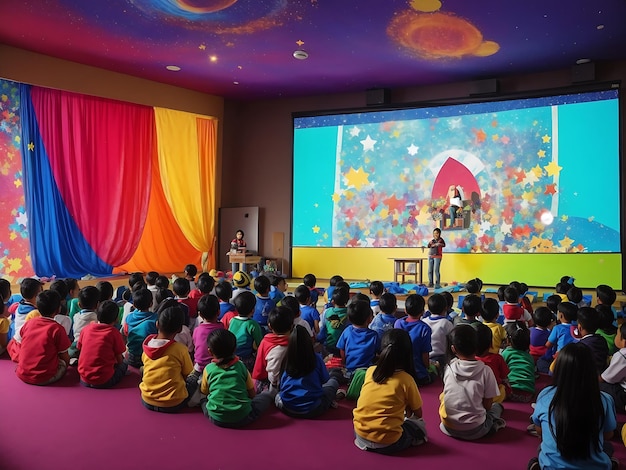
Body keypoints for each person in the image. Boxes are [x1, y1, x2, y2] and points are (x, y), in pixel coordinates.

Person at [529, 342, 618, 470]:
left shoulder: (545, 395)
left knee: (542, 448)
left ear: (559, 369)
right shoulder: (604, 399)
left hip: (553, 466)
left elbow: (539, 430)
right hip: (595, 466)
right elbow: (608, 434)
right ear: (592, 370)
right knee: (607, 447)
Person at [353, 329, 428, 454]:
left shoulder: (370, 371)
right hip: (389, 442)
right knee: (420, 426)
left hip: (360, 434)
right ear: (408, 354)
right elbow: (418, 413)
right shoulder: (406, 380)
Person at [439, 324, 506, 440]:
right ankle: (493, 426)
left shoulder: (449, 367)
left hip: (447, 426)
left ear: (453, 348)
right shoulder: (486, 371)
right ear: (477, 346)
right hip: (476, 430)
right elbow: (487, 406)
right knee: (496, 407)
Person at [200, 329, 275, 428]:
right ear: (235, 348)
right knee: (266, 396)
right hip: (243, 417)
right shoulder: (241, 366)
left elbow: (204, 391)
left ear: (210, 351)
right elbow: (252, 394)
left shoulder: (208, 369)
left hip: (216, 418)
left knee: (203, 401)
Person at [139, 302, 196, 413]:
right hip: (173, 403)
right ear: (180, 329)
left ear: (157, 324)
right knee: (194, 380)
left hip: (147, 400)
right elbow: (188, 373)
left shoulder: (147, 345)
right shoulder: (180, 349)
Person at [275, 325, 340, 419]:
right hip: (313, 409)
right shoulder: (316, 358)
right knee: (333, 382)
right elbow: (325, 380)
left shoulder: (286, 359)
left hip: (287, 407)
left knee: (276, 395)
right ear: (308, 342)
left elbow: (280, 383)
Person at [16, 290, 71, 385]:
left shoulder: (29, 323)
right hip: (45, 377)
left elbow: (19, 342)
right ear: (58, 310)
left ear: (37, 307)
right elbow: (65, 357)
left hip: (23, 373)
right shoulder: (57, 329)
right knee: (62, 363)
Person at [77, 300, 128, 388]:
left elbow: (80, 348)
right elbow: (119, 359)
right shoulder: (114, 333)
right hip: (104, 381)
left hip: (83, 379)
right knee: (124, 364)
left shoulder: (86, 329)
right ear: (116, 319)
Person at [394, 294, 434, 385]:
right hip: (418, 375)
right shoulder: (425, 328)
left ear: (405, 310)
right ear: (423, 312)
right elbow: (425, 355)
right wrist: (428, 367)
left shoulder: (397, 323)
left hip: (400, 372)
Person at [252, 306, 293, 392]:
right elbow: (273, 378)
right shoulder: (293, 343)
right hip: (270, 383)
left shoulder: (265, 341)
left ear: (270, 326)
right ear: (292, 326)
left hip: (261, 378)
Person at [337, 300, 379, 375]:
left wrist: (344, 362)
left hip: (349, 370)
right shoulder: (374, 335)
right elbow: (378, 352)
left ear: (349, 319)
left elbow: (342, 349)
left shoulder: (347, 331)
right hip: (367, 372)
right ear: (369, 319)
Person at [228, 290, 263, 372]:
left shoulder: (232, 320)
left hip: (231, 357)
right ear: (253, 310)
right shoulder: (252, 324)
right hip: (246, 359)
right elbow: (260, 344)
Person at [122, 287, 158, 368]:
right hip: (147, 357)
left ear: (134, 305)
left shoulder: (129, 317)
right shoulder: (155, 319)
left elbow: (125, 332)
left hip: (131, 357)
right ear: (151, 303)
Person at [475, 323, 509, 403]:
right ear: (491, 344)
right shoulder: (497, 358)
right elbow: (505, 377)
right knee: (502, 389)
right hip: (491, 397)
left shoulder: (466, 361)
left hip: (472, 395)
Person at [191, 294, 224, 377]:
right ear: (218, 312)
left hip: (199, 367)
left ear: (200, 315)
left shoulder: (197, 330)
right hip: (218, 366)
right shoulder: (222, 328)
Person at [501, 327, 535, 403]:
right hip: (528, 395)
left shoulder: (506, 353)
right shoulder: (530, 357)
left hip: (510, 392)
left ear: (509, 341)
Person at [422, 293, 454, 371]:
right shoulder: (447, 323)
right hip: (441, 358)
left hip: (424, 357)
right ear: (446, 308)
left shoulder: (423, 321)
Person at [600, 323, 626, 412]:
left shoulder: (622, 355)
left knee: (599, 385)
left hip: (623, 396)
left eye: (618, 334)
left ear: (624, 342)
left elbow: (605, 378)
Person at [317, 286, 350, 357]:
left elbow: (322, 327)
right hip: (344, 348)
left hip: (328, 346)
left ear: (332, 301)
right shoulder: (350, 313)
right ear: (347, 300)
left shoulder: (327, 312)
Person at [69, 286, 100, 359]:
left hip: (76, 346)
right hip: (91, 348)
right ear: (97, 304)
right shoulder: (97, 319)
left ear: (79, 304)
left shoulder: (75, 317)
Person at [577, 307, 609, 375]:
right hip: (601, 374)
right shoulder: (602, 340)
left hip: (587, 378)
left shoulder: (580, 346)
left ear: (580, 327)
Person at [530, 306, 556, 373]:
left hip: (531, 355)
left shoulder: (530, 331)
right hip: (543, 357)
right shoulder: (549, 334)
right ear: (550, 322)